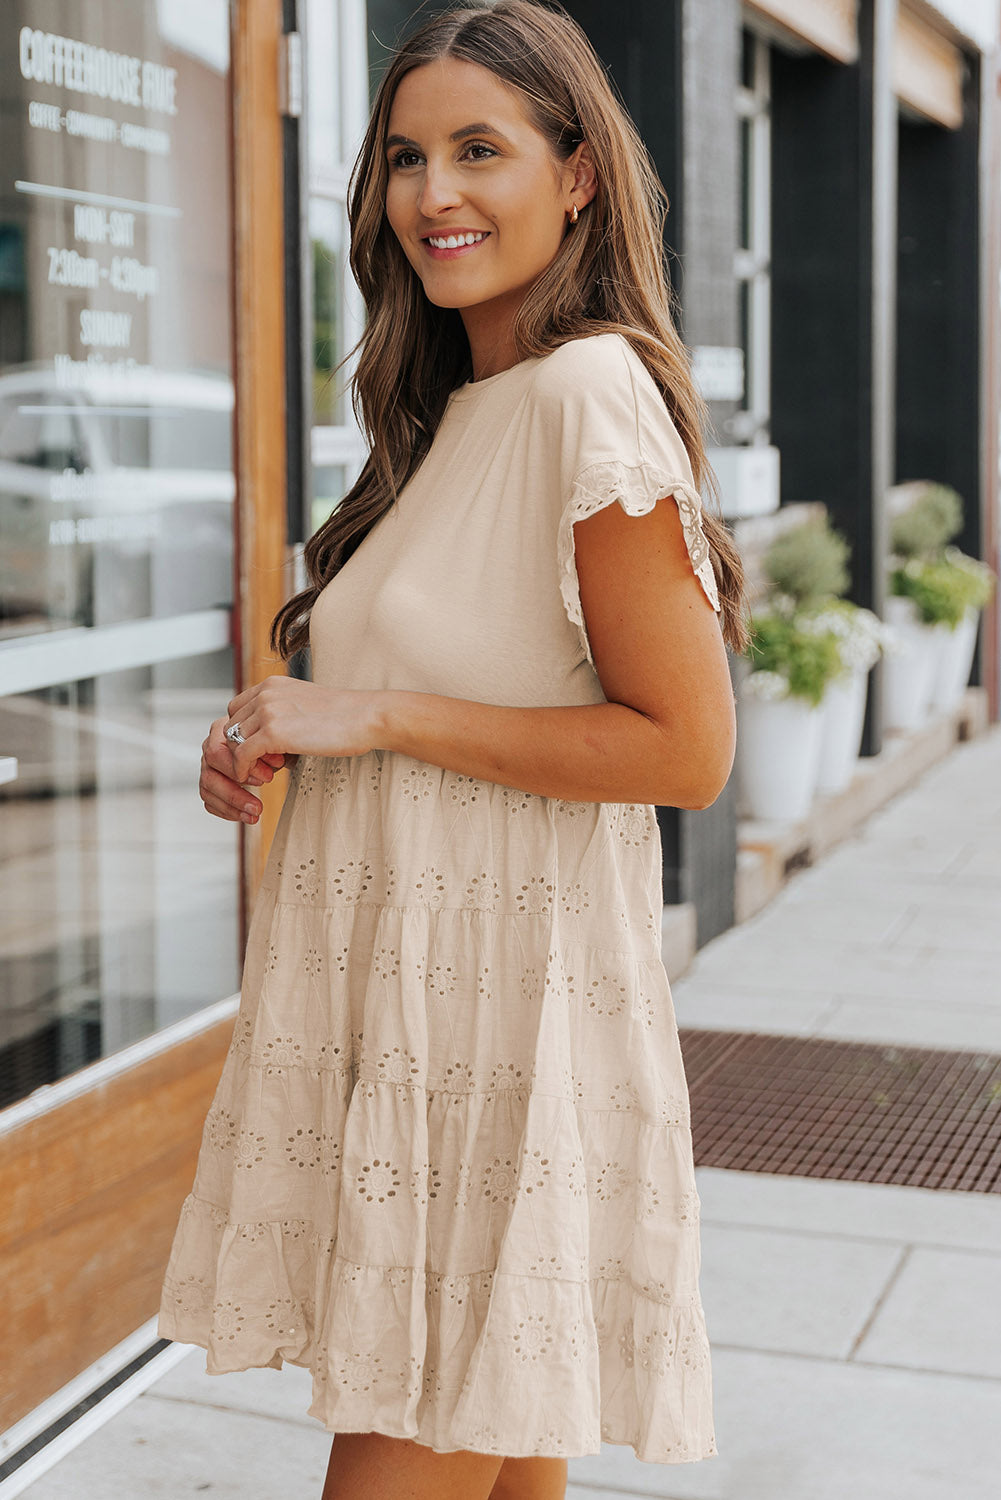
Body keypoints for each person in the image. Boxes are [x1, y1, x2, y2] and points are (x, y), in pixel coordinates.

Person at [158, 2, 748, 1496]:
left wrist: (371, 716)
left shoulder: (587, 393)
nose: (434, 194)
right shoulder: (458, 413)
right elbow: (457, 683)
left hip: (499, 1037)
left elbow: (685, 750)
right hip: (429, 1024)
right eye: (407, 156)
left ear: (577, 175)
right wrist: (286, 733)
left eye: (479, 150)